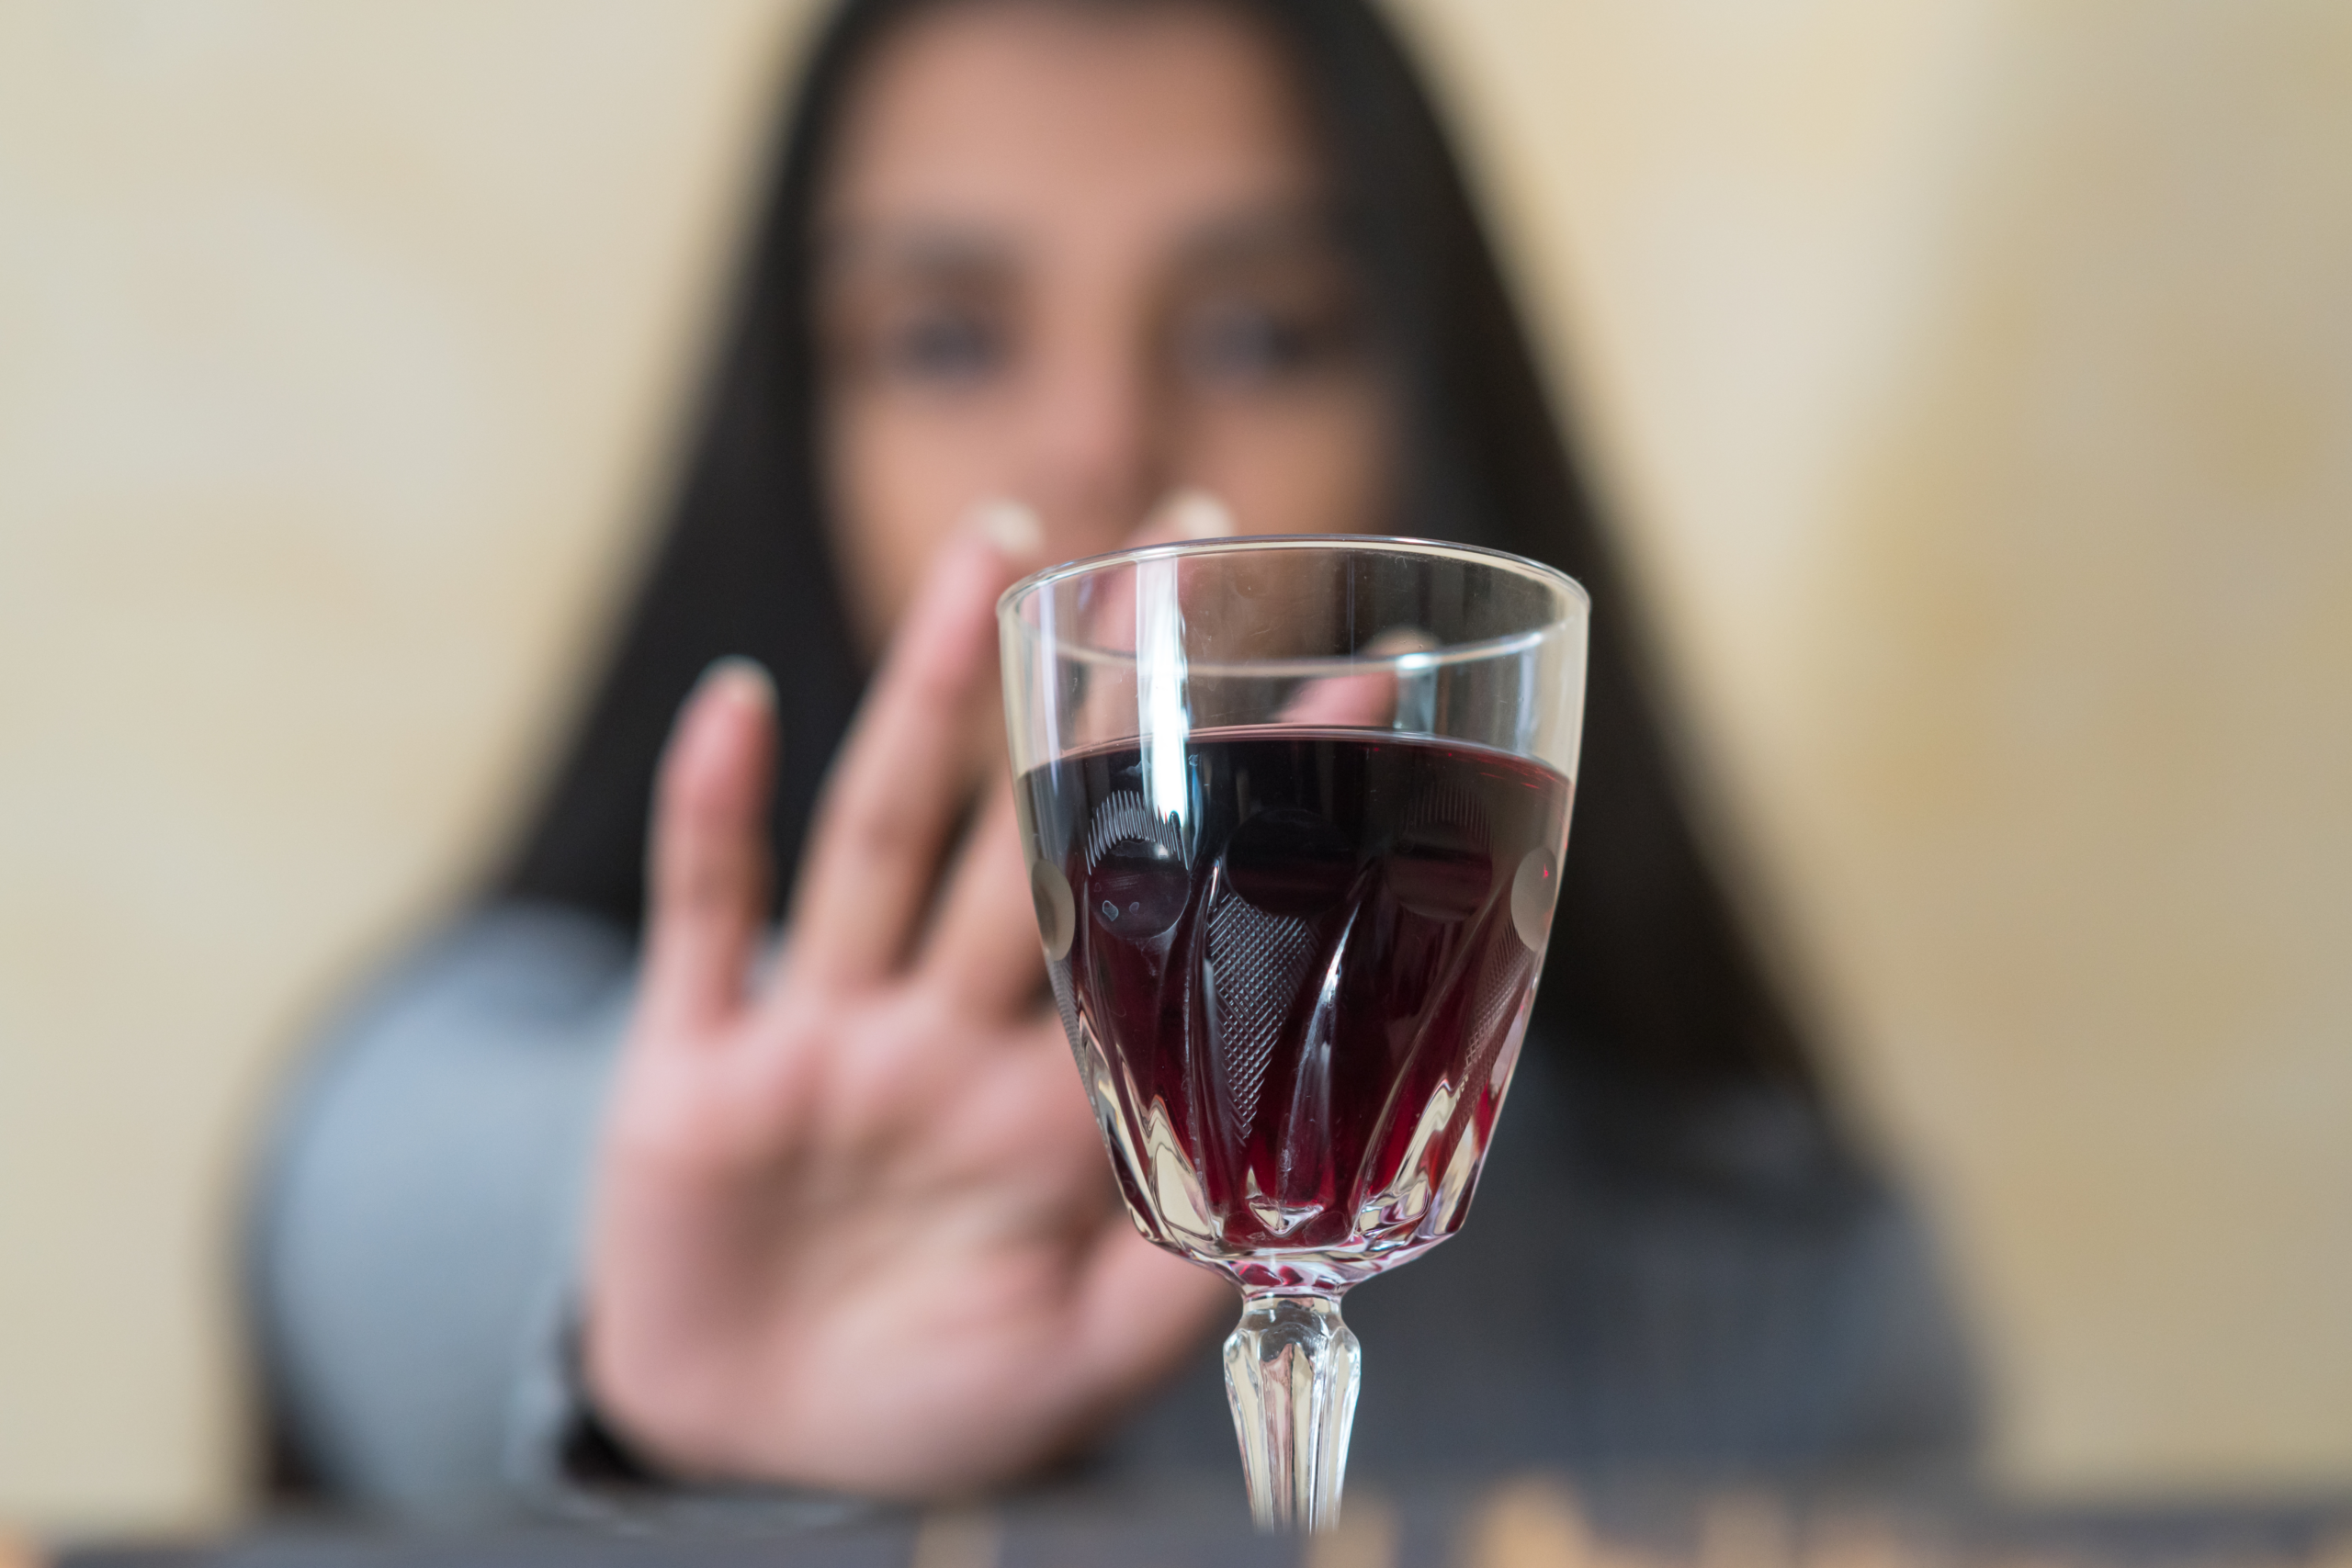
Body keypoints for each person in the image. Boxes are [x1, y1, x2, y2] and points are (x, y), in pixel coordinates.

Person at [249, 0, 1978, 1523]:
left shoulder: (1776, 1294)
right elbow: (386, 1217)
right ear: (798, 434)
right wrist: (681, 1395)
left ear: (1432, 410)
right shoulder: (444, 1096)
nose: (1097, 442)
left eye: (1258, 332)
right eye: (947, 335)